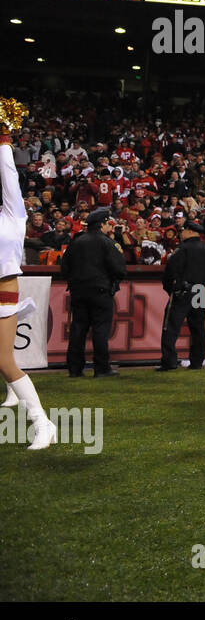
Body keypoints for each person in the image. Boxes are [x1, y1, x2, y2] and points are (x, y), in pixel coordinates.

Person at [0, 125, 56, 448]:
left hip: (5, 293)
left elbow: (7, 173)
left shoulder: (13, 214)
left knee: (5, 361)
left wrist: (4, 139)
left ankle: (42, 423)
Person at [60, 208, 126, 379]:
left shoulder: (76, 242)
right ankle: (101, 368)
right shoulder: (107, 243)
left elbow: (64, 268)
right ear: (102, 224)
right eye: (107, 223)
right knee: (100, 330)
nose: (109, 227)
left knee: (78, 329)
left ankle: (75, 369)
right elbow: (120, 270)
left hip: (78, 291)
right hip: (100, 291)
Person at [158, 220, 205, 371]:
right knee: (198, 327)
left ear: (189, 231)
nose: (181, 233)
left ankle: (169, 362)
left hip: (182, 291)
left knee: (171, 326)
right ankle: (197, 362)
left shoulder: (182, 249)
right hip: (199, 290)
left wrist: (172, 289)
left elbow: (170, 272)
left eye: (183, 230)